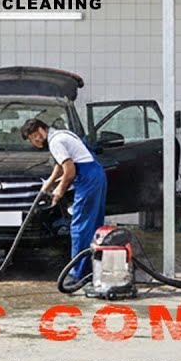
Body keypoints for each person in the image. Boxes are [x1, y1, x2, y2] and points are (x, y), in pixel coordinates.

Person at [21, 118, 108, 281]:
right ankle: (93, 269)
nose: (35, 142)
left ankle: (78, 274)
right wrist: (49, 184)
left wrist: (59, 192)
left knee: (80, 226)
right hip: (96, 174)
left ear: (40, 130)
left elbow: (69, 170)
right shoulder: (61, 134)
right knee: (93, 224)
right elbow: (61, 165)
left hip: (87, 178)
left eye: (33, 137)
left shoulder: (55, 142)